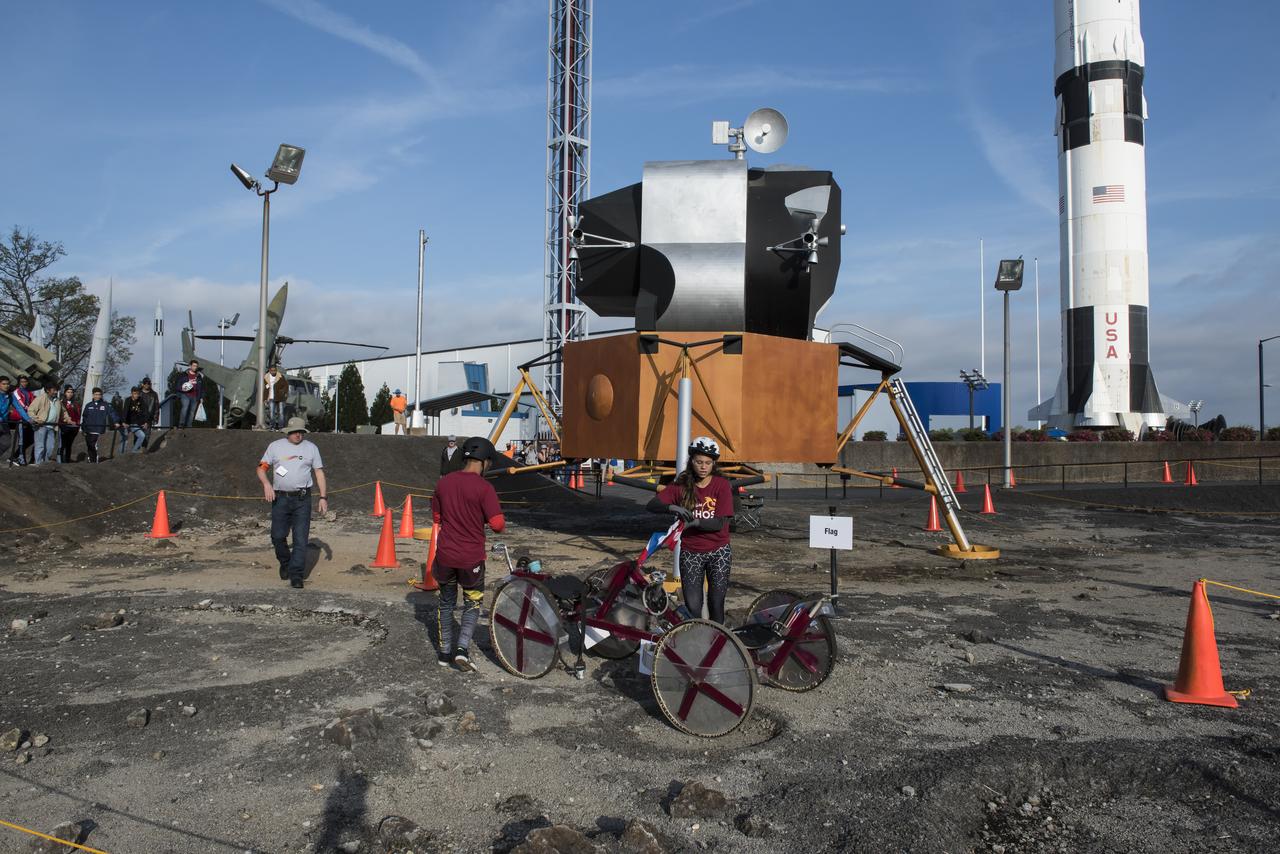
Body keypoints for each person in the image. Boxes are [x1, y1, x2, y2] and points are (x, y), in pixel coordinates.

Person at [431, 436, 504, 671]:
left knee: (446, 602)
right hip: (470, 558)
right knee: (472, 603)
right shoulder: (485, 488)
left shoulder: (444, 483)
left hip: (445, 555)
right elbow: (497, 525)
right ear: (484, 461)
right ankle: (462, 649)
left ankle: (443, 653)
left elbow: (436, 518)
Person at [646, 437, 735, 624]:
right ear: (691, 461)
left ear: (714, 464)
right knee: (693, 606)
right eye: (699, 462)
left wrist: (694, 522)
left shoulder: (721, 485)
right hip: (691, 552)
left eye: (708, 463)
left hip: (718, 551)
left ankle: (719, 641)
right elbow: (652, 504)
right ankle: (699, 640)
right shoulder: (681, 485)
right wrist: (672, 508)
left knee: (716, 603)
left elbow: (719, 523)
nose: (703, 467)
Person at [256, 417, 328, 589]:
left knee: (300, 538)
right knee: (277, 536)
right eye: (294, 432)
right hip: (280, 498)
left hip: (302, 499)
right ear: (287, 432)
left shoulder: (311, 448)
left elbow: (319, 473)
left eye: (301, 432)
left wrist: (323, 497)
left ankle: (296, 575)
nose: (298, 435)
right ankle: (285, 562)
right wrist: (266, 484)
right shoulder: (275, 447)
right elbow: (261, 468)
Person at [27, 382, 63, 464]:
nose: (55, 392)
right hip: (41, 426)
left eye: (56, 390)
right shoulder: (40, 398)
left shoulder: (57, 401)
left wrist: (69, 419)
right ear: (47, 390)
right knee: (40, 446)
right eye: (54, 390)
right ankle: (38, 464)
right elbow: (30, 410)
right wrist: (37, 419)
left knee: (50, 447)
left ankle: (45, 463)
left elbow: (63, 412)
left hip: (52, 427)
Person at [0, 376, 32, 467]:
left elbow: (19, 408)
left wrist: (28, 419)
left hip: (4, 423)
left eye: (8, 384)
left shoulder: (10, 395)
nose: (6, 386)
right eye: (3, 384)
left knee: (7, 443)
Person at [80, 387, 112, 463]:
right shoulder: (88, 405)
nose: (97, 396)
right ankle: (91, 459)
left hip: (98, 430)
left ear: (101, 395)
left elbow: (112, 413)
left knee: (94, 445)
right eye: (96, 394)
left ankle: (94, 461)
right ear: (93, 395)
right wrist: (83, 428)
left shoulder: (105, 405)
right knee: (89, 446)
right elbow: (84, 417)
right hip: (88, 430)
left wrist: (117, 422)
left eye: (99, 394)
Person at [12, 375, 36, 464]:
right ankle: (21, 458)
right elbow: (21, 406)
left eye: (25, 382)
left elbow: (33, 403)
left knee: (30, 439)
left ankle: (15, 456)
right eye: (22, 382)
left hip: (28, 418)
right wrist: (28, 417)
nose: (24, 383)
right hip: (20, 418)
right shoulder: (16, 392)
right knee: (21, 439)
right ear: (19, 382)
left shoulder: (29, 393)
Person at [118, 386, 149, 454]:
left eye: (138, 394)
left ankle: (134, 450)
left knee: (142, 436)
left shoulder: (141, 400)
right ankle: (120, 455)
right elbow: (125, 411)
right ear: (131, 393)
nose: (136, 395)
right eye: (135, 394)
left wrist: (145, 422)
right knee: (124, 439)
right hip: (126, 423)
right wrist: (123, 422)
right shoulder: (128, 400)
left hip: (135, 423)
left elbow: (145, 411)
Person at [178, 360, 203, 428]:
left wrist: (200, 397)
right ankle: (181, 424)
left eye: (196, 366)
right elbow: (178, 385)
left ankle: (189, 425)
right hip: (185, 395)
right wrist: (182, 389)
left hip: (195, 396)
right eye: (194, 366)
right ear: (190, 366)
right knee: (185, 408)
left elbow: (201, 387)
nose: (195, 367)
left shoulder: (198, 376)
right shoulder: (184, 374)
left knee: (192, 412)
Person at [58, 386, 81, 463]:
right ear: (65, 393)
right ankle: (60, 460)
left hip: (74, 428)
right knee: (62, 445)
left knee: (69, 445)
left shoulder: (76, 404)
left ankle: (67, 460)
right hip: (64, 426)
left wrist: (77, 425)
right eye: (68, 392)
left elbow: (78, 415)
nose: (70, 394)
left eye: (71, 392)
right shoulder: (61, 402)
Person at [264, 365, 288, 430]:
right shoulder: (266, 378)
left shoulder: (280, 377)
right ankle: (272, 427)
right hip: (271, 398)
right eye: (272, 370)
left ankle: (281, 427)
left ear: (276, 370)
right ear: (269, 371)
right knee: (271, 413)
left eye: (274, 370)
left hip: (280, 398)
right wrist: (265, 399)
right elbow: (266, 389)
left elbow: (286, 386)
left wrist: (283, 393)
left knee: (281, 413)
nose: (273, 372)